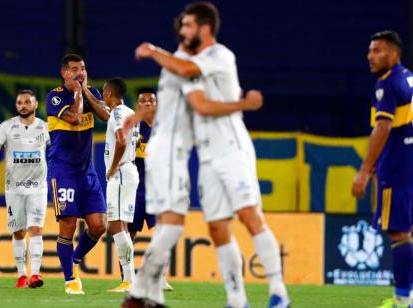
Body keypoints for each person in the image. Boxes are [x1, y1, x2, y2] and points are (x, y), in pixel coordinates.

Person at [132, 2, 290, 308]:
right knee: (217, 228)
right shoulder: (191, 65)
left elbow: (186, 70)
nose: (183, 30)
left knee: (248, 215)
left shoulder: (219, 56)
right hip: (206, 157)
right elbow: (199, 104)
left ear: (204, 28)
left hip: (232, 149)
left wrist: (152, 51)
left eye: (188, 25)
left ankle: (279, 292)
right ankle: (237, 300)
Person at [352, 30, 413, 308]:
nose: (370, 56)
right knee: (409, 231)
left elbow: (382, 126)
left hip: (398, 168)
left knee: (398, 233)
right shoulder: (409, 78)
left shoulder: (387, 83)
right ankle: (408, 297)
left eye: (377, 51)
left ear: (393, 54)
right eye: (370, 50)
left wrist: (365, 169)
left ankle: (402, 300)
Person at [46, 53, 110, 295]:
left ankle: (74, 259)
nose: (80, 73)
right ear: (64, 73)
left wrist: (86, 93)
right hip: (63, 171)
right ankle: (70, 280)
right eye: (74, 69)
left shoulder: (91, 92)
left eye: (82, 68)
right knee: (68, 225)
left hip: (87, 172)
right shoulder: (54, 97)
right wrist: (76, 94)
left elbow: (105, 115)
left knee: (98, 226)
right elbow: (73, 119)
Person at [0, 89, 49, 289]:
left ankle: (36, 275)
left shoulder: (45, 128)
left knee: (36, 229)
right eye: (20, 102)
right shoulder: (7, 126)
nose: (23, 105)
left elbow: (58, 153)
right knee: (19, 232)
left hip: (38, 188)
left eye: (27, 102)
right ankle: (22, 275)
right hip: (14, 189)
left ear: (35, 104)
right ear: (16, 106)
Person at [128, 87, 173, 292]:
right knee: (129, 234)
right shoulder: (131, 127)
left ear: (156, 104)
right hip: (136, 190)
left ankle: (160, 277)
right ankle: (127, 278)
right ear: (138, 105)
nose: (147, 103)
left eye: (151, 101)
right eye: (143, 100)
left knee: (163, 234)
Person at [102, 78, 140, 292]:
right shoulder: (131, 113)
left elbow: (121, 140)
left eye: (104, 91)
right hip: (130, 169)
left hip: (121, 172)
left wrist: (113, 167)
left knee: (115, 225)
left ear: (109, 93)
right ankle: (130, 280)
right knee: (122, 226)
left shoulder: (117, 114)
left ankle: (128, 279)